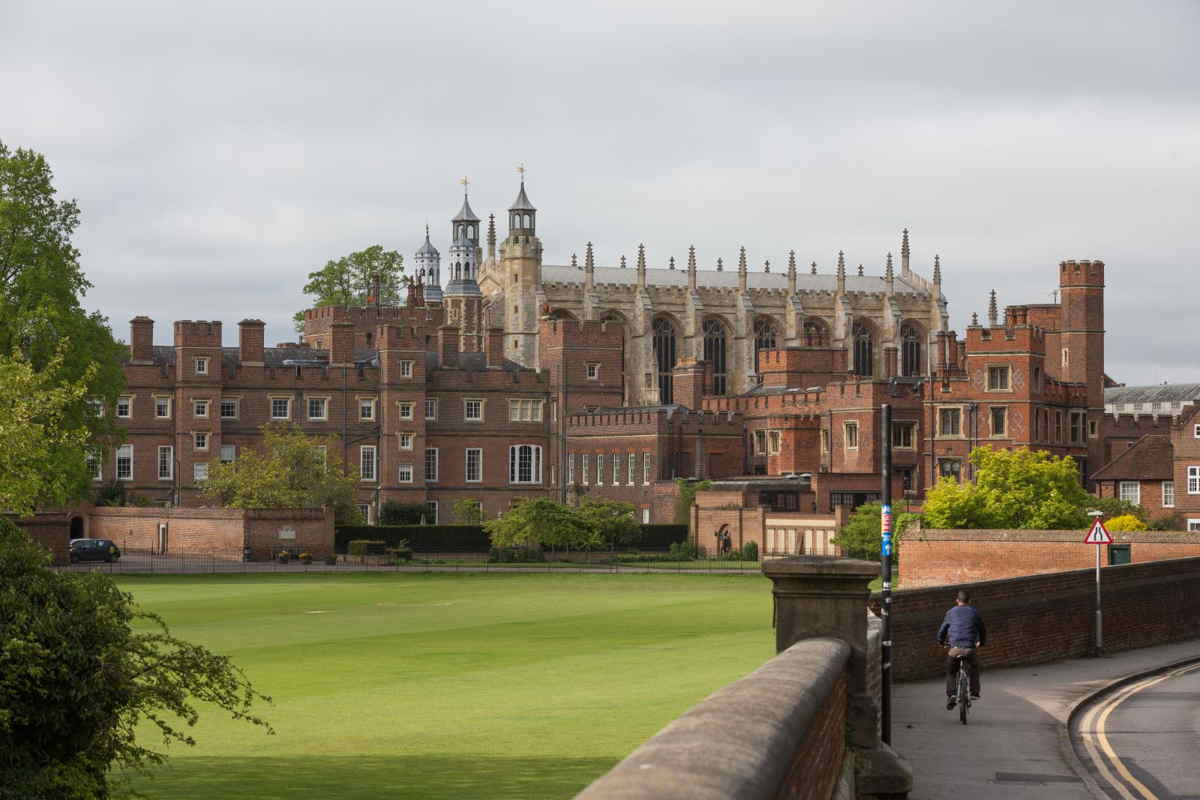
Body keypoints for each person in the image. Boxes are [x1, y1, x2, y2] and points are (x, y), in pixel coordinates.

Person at [937, 589, 986, 710]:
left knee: (951, 671)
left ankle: (952, 694)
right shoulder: (974, 612)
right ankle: (974, 692)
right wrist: (982, 642)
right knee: (974, 667)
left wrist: (941, 641)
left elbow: (942, 630)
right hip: (970, 648)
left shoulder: (950, 612)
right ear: (969, 601)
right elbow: (982, 629)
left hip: (955, 649)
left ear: (957, 600)